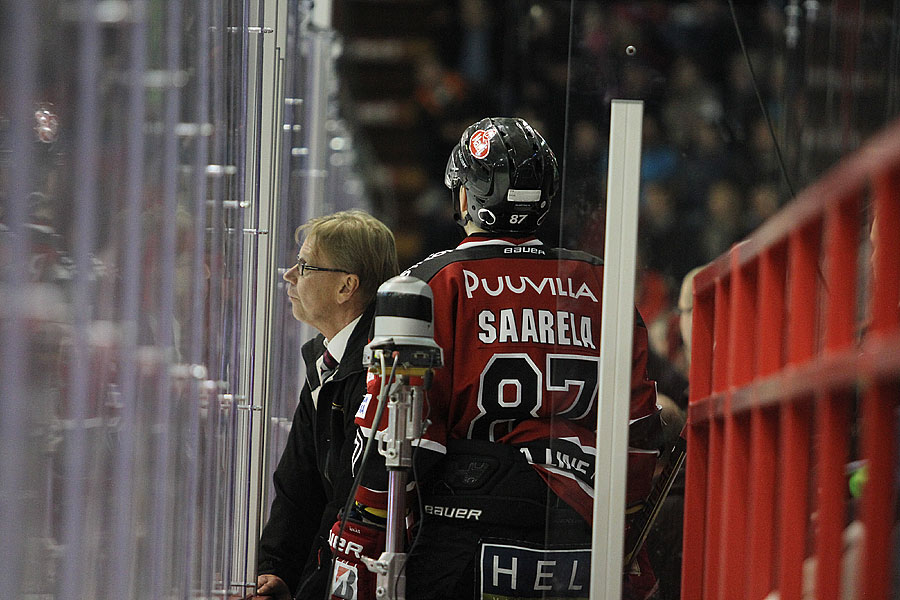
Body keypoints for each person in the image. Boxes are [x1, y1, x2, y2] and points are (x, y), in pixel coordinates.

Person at [331, 118, 661, 600]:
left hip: (467, 532)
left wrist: (361, 532)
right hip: (586, 531)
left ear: (466, 197)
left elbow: (399, 436)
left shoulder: (430, 281)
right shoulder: (601, 282)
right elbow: (640, 431)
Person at [254, 210, 399, 600]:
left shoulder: (377, 372)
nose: (289, 275)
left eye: (304, 266)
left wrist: (305, 590)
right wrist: (276, 571)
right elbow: (298, 486)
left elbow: (347, 507)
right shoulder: (327, 359)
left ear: (346, 286)